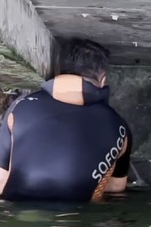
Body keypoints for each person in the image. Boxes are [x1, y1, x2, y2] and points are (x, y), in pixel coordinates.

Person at [0, 38, 132, 202]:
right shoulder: (120, 127)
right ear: (103, 79)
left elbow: (1, 179)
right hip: (77, 222)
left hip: (15, 219)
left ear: (59, 71)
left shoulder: (20, 106)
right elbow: (115, 188)